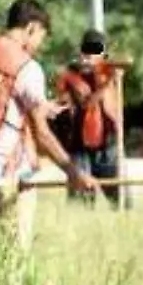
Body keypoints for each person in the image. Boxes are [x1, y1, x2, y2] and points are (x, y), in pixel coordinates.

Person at [0, 0, 95, 254]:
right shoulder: (26, 67)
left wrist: (39, 107)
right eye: (40, 38)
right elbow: (42, 134)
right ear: (31, 28)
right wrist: (73, 172)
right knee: (5, 261)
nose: (38, 46)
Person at [53, 28, 124, 206]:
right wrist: (108, 84)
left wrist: (112, 78)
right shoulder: (70, 76)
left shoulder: (109, 72)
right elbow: (86, 103)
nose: (90, 56)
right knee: (81, 201)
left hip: (108, 144)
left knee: (120, 198)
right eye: (87, 51)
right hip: (80, 145)